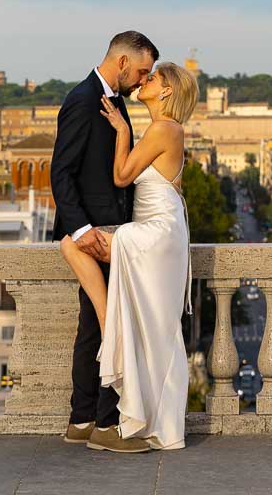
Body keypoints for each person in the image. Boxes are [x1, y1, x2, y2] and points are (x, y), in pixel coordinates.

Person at [60, 59, 200, 452]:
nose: (145, 81)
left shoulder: (163, 128)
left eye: (152, 78)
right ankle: (112, 326)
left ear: (167, 90)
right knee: (154, 329)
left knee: (72, 242)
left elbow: (122, 176)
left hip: (155, 233)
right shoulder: (166, 130)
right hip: (158, 232)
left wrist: (121, 132)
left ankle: (108, 322)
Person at [50, 30, 159, 452]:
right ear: (122, 63)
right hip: (98, 234)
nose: (141, 80)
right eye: (141, 72)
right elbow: (61, 172)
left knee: (93, 327)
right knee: (112, 325)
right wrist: (79, 231)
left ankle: (82, 418)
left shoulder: (109, 100)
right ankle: (108, 426)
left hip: (110, 231)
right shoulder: (82, 99)